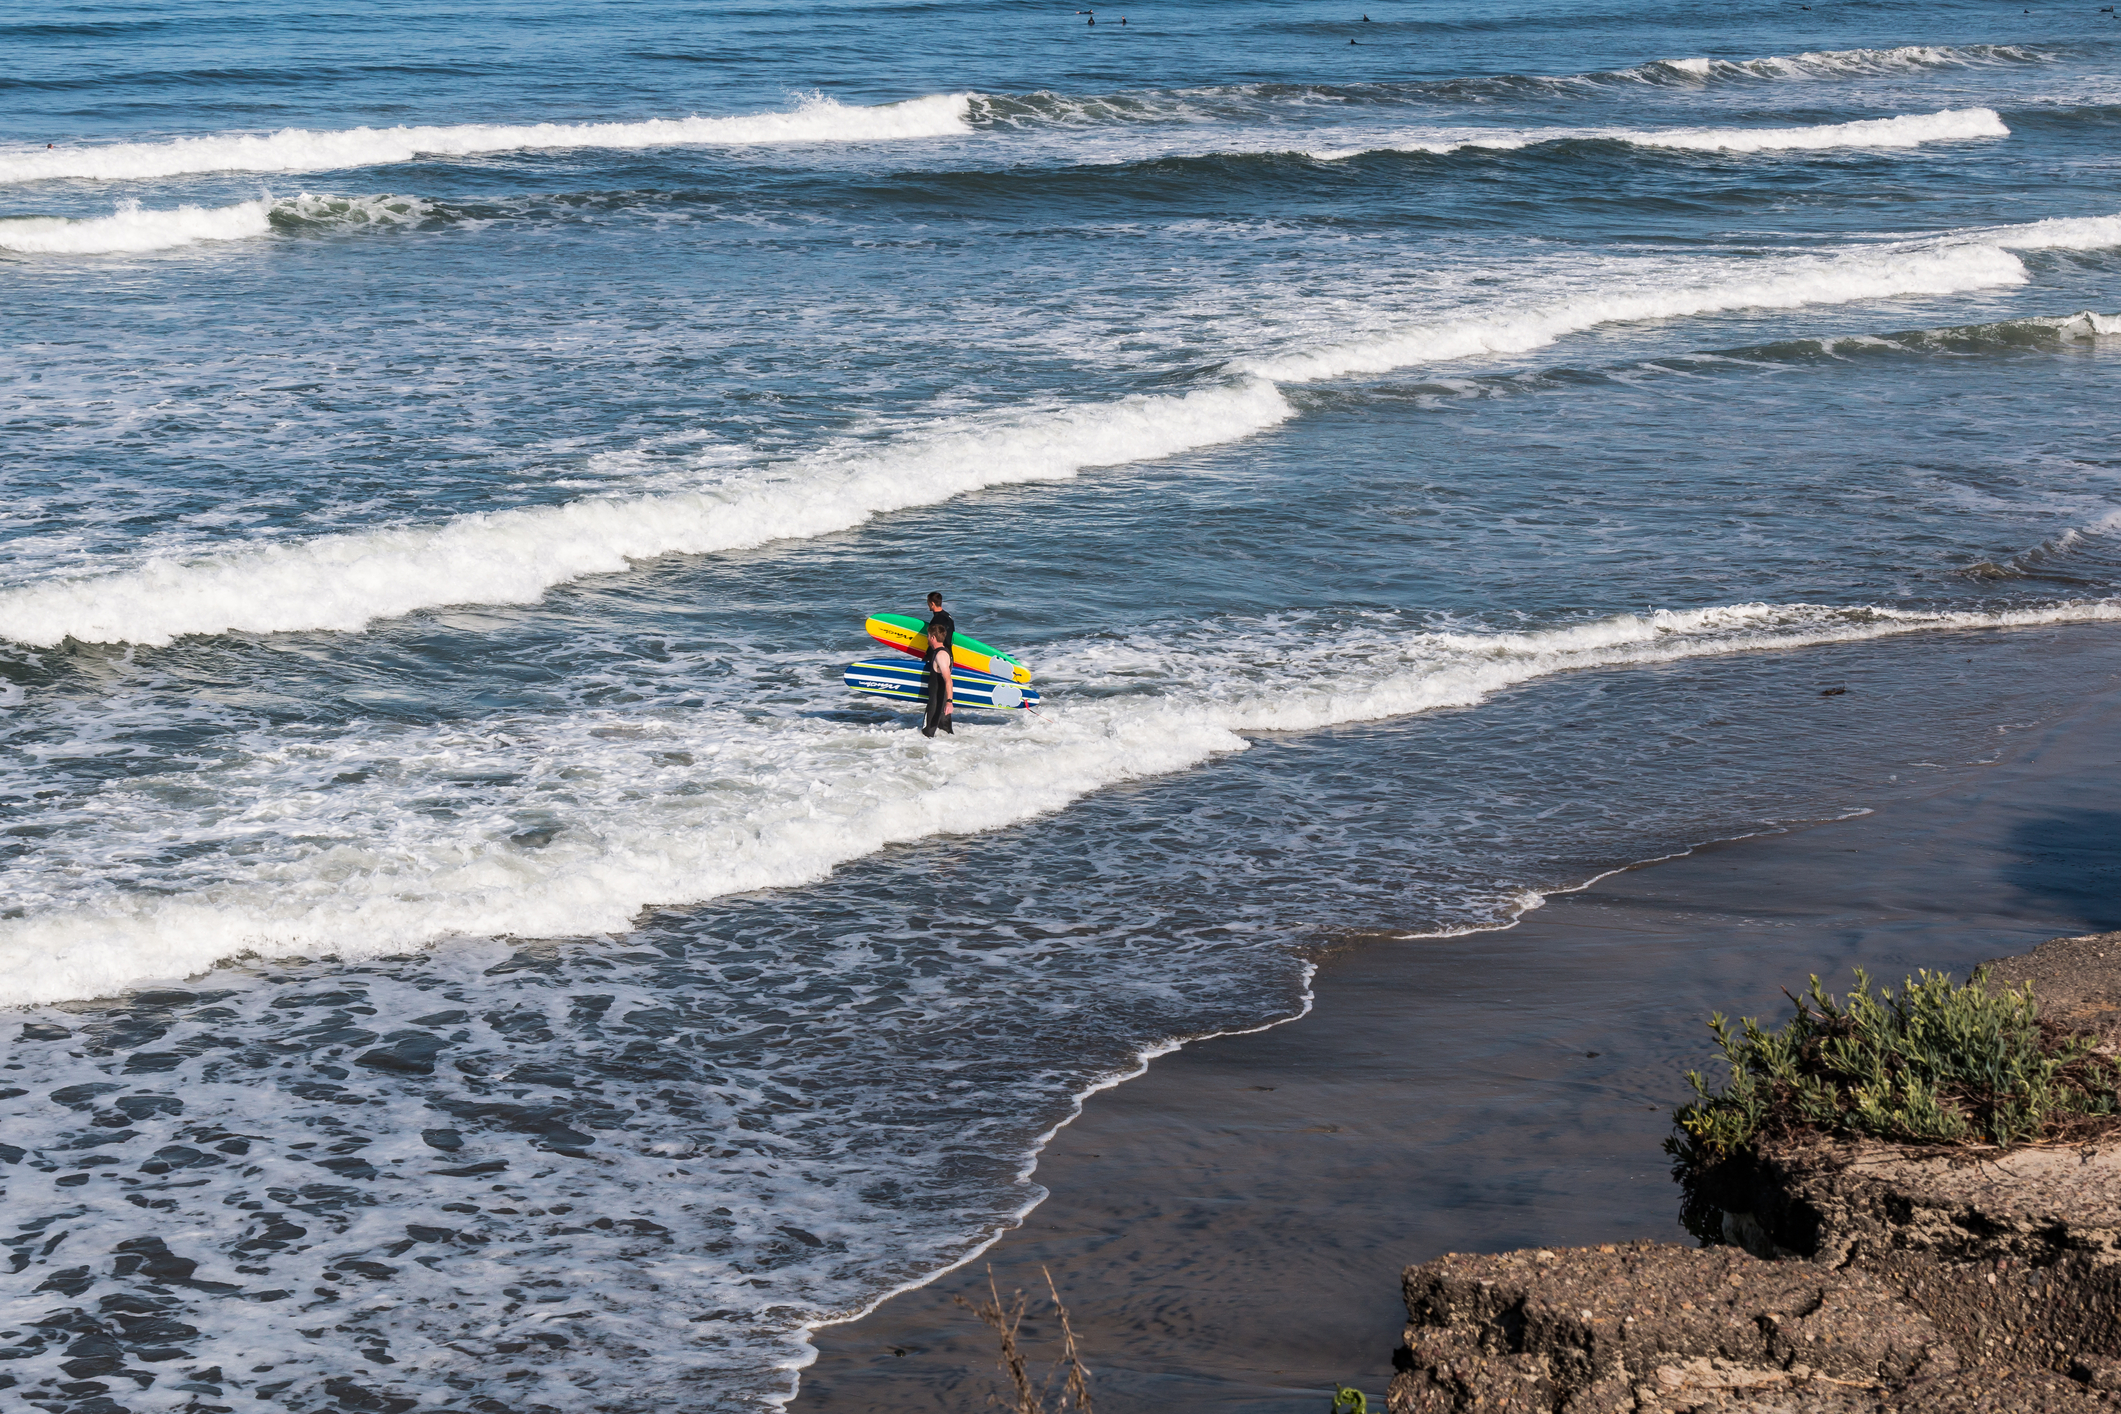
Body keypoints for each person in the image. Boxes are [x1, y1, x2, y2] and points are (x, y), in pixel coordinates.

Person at [920, 591, 955, 737]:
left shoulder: (936, 621)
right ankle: (945, 730)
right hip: (948, 655)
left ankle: (930, 732)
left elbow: (948, 680)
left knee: (936, 694)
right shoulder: (949, 617)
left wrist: (949, 701)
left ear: (932, 603)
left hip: (941, 656)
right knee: (939, 693)